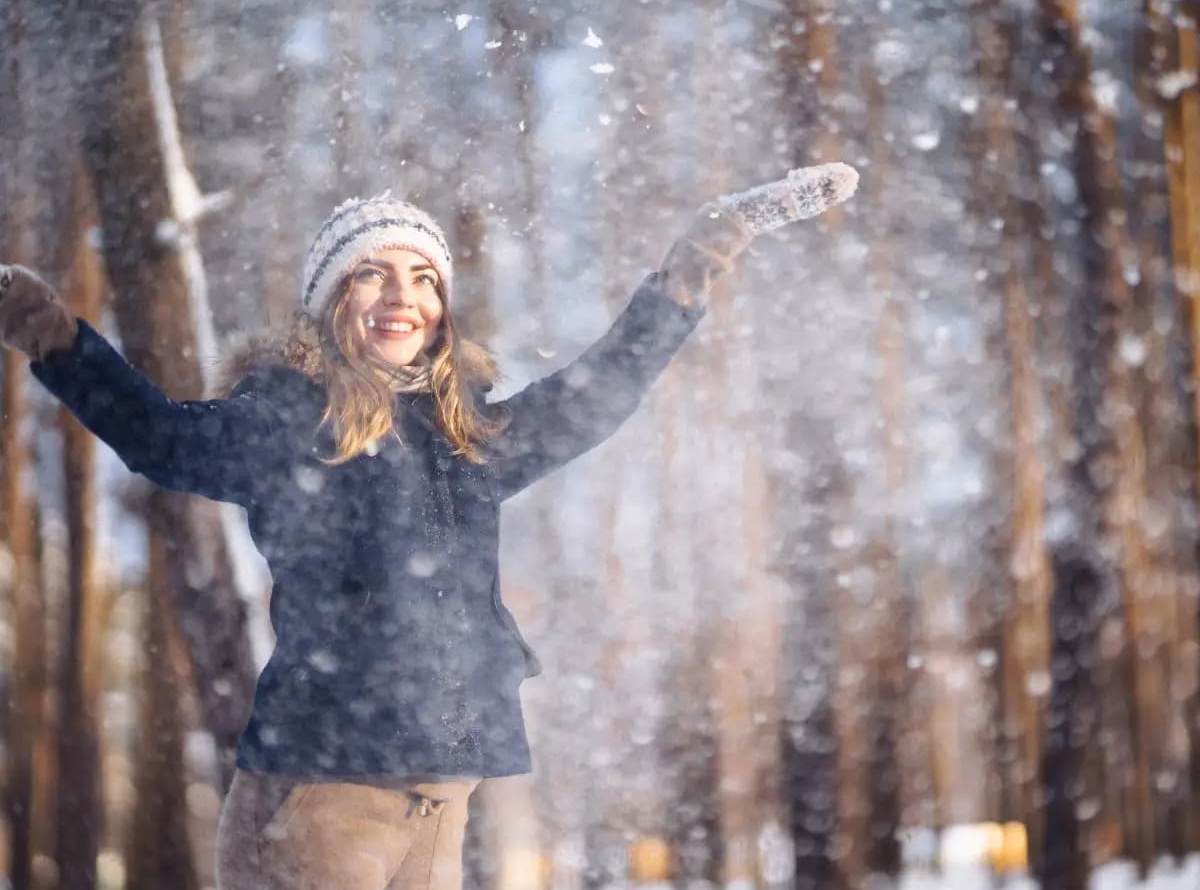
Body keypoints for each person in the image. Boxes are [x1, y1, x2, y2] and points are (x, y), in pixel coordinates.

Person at [0, 164, 856, 889]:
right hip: (326, 797)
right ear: (330, 296)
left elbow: (594, 396)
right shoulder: (291, 417)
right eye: (371, 273)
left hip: (441, 796)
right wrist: (54, 335)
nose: (401, 297)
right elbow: (163, 439)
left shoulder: (464, 436)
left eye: (423, 278)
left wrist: (691, 267)